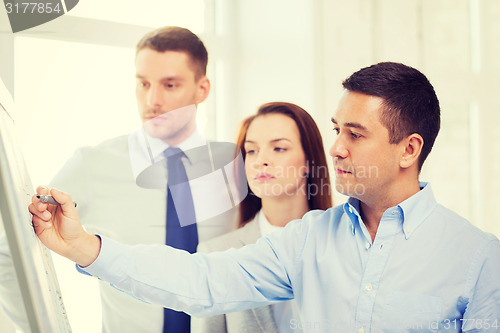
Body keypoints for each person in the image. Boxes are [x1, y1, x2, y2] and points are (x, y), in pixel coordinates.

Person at [30, 62, 500, 332]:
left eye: (355, 134)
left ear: (409, 149)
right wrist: (86, 248)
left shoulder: (479, 260)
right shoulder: (307, 240)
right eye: (337, 130)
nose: (336, 147)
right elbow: (201, 281)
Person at [2, 26, 241, 333]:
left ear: (202, 89)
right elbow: (10, 254)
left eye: (170, 85)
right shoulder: (92, 164)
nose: (152, 100)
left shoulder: (236, 168)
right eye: (143, 83)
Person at [191, 102, 332, 333]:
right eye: (252, 151)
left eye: (279, 149)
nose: (260, 161)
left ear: (308, 163)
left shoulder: (345, 245)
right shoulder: (217, 256)